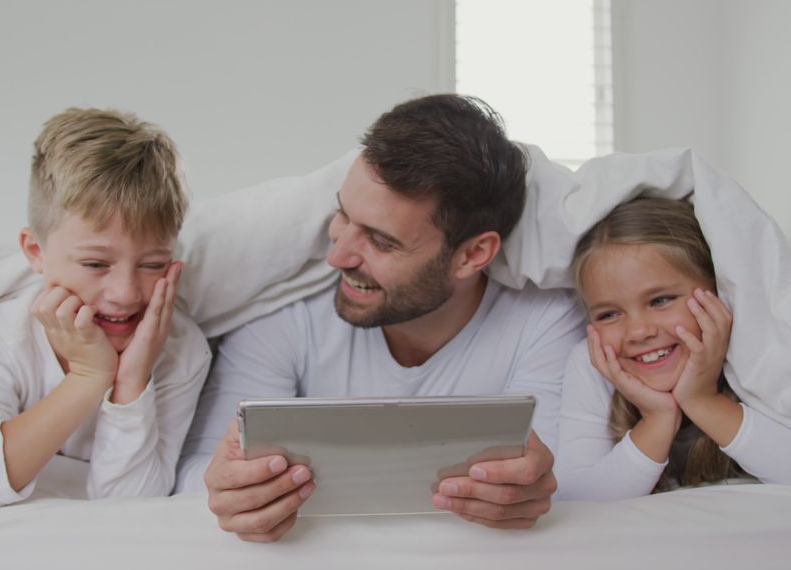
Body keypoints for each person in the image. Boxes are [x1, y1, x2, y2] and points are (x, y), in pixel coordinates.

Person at [176, 94, 585, 541]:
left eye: (381, 241)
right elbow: (198, 469)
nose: (337, 255)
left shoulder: (546, 321)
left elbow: (561, 482)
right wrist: (228, 489)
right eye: (343, 215)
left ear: (472, 254)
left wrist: (534, 493)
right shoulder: (280, 308)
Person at [0, 108, 211, 513]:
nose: (125, 294)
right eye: (95, 264)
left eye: (152, 265)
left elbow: (131, 507)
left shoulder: (180, 350)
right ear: (34, 252)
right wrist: (88, 377)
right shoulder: (0, 337)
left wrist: (131, 380)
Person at [554, 196, 791, 499]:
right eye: (608, 314)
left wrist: (702, 400)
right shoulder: (594, 364)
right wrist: (657, 418)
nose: (638, 332)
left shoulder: (762, 345)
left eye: (660, 300)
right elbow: (577, 501)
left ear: (718, 290)